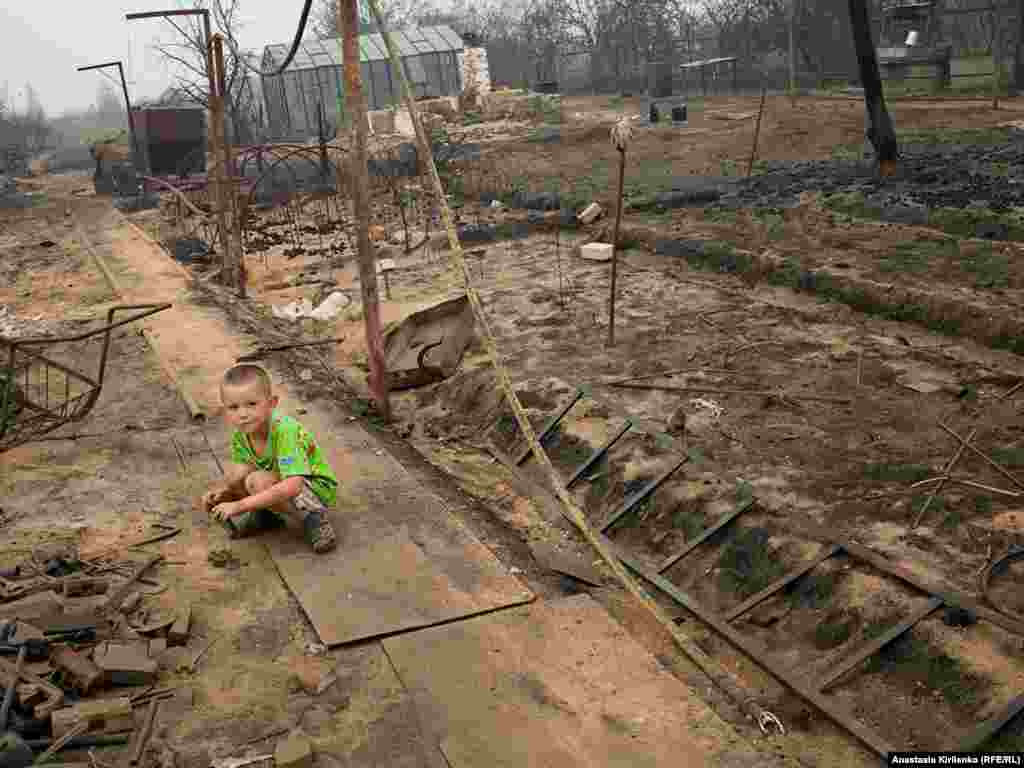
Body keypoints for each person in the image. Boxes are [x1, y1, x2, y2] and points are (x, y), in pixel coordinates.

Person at [202, 364, 338, 554]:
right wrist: (222, 493)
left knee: (256, 481)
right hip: (280, 479)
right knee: (236, 476)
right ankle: (267, 516)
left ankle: (314, 518)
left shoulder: (285, 430)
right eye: (233, 407)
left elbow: (293, 485)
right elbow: (241, 473)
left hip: (312, 487)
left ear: (272, 403)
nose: (242, 414)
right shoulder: (241, 434)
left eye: (251, 404)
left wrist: (239, 506)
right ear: (225, 410)